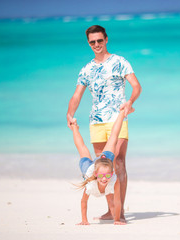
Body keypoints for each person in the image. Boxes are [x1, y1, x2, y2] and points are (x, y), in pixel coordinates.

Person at [66, 25, 142, 221]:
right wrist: (70, 113)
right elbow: (77, 95)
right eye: (92, 42)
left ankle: (120, 211)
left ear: (106, 39)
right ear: (88, 43)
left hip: (117, 118)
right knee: (102, 167)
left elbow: (136, 86)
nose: (97, 44)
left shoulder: (120, 62)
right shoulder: (86, 69)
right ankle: (111, 210)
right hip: (96, 122)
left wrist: (130, 102)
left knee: (118, 163)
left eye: (100, 40)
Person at [71, 109, 133, 225]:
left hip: (104, 161)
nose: (104, 179)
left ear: (112, 173)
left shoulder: (113, 179)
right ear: (96, 175)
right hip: (90, 168)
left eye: (107, 176)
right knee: (82, 149)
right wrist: (84, 220)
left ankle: (122, 113)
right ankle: (74, 127)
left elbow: (118, 201)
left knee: (113, 138)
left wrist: (117, 220)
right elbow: (84, 202)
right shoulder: (90, 183)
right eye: (101, 176)